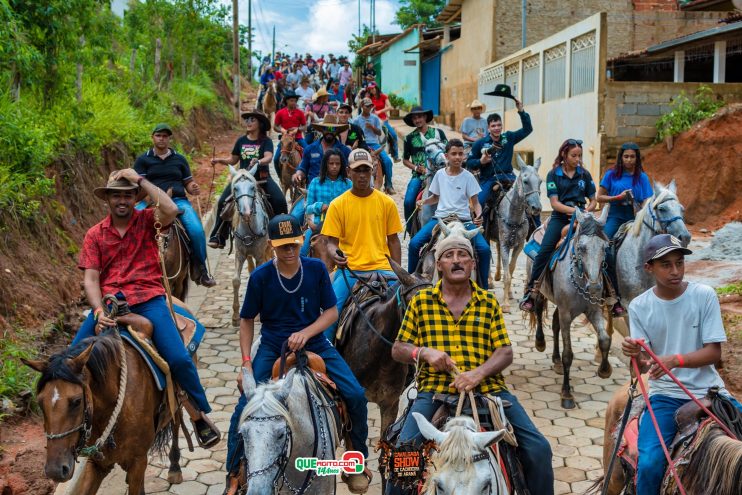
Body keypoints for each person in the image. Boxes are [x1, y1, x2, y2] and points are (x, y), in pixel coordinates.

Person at [388, 235, 554, 495]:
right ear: (439, 264)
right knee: (402, 460)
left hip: (489, 391)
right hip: (434, 392)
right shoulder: (421, 302)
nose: (456, 260)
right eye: (449, 255)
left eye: (463, 254)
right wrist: (425, 352)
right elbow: (398, 349)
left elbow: (505, 352)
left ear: (473, 263)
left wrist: (477, 374)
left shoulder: (487, 302)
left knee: (539, 449)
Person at [224, 214, 371, 495]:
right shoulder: (260, 277)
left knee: (355, 394)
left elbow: (330, 313)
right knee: (244, 407)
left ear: (301, 240)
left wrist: (307, 332)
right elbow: (246, 320)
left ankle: (356, 462)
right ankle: (234, 474)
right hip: (272, 346)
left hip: (315, 343)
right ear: (271, 246)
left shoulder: (316, 269)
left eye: (293, 244)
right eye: (283, 247)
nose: (290, 251)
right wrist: (246, 364)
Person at [75, 169, 220, 449]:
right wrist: (97, 311)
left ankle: (198, 416)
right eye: (116, 195)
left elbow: (171, 208)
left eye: (128, 195)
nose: (122, 200)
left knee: (177, 358)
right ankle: (76, 425)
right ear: (108, 200)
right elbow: (91, 279)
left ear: (135, 198)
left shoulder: (148, 220)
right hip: (109, 303)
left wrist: (140, 180)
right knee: (70, 361)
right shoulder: (95, 234)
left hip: (149, 298)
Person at [622, 233, 742, 495]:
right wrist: (634, 354)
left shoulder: (704, 296)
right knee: (651, 463)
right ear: (648, 268)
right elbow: (641, 367)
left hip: (712, 392)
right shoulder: (640, 307)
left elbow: (714, 353)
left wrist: (675, 360)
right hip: (667, 396)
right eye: (666, 265)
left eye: (679, 263)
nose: (675, 271)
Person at [321, 149, 403, 342]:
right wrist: (336, 255)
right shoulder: (338, 205)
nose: (362, 175)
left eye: (366, 170)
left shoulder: (386, 203)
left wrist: (399, 274)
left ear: (373, 170)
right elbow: (330, 243)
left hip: (384, 269)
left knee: (408, 310)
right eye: (358, 171)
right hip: (351, 270)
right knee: (331, 314)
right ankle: (324, 359)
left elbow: (393, 241)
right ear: (349, 172)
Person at [519, 139, 598, 312]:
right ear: (564, 154)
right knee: (544, 250)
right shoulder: (553, 174)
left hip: (582, 218)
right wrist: (573, 211)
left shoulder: (584, 174)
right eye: (574, 155)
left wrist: (584, 213)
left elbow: (593, 200)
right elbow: (554, 203)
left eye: (579, 156)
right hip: (560, 218)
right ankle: (531, 291)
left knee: (601, 245)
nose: (577, 159)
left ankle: (610, 292)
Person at [133, 124, 216, 287]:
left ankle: (200, 268)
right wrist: (146, 198)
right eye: (159, 135)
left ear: (169, 139)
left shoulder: (179, 159)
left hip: (178, 201)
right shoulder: (143, 160)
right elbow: (139, 187)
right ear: (153, 137)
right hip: (151, 201)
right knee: (127, 224)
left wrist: (193, 187)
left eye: (165, 136)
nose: (162, 138)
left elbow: (188, 182)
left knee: (197, 230)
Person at [407, 139, 490, 289]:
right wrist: (423, 202)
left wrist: (478, 216)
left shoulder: (468, 177)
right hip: (441, 219)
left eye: (461, 154)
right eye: (454, 154)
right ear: (447, 156)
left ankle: (483, 289)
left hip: (464, 220)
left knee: (484, 250)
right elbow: (436, 197)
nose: (458, 157)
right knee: (414, 244)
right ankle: (411, 283)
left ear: (464, 156)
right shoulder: (439, 175)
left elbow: (476, 202)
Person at [208, 110, 287, 248]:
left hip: (261, 179)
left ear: (260, 124)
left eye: (252, 120)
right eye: (247, 120)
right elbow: (233, 160)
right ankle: (218, 235)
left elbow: (268, 157)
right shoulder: (241, 141)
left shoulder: (266, 141)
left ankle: (283, 233)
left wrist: (259, 161)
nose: (248, 122)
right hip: (242, 180)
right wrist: (220, 160)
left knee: (280, 201)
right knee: (222, 202)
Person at [465, 99, 532, 208]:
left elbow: (528, 129)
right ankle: (479, 225)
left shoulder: (509, 137)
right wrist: (480, 161)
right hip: (489, 179)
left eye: (498, 125)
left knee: (530, 200)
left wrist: (521, 110)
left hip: (509, 177)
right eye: (493, 126)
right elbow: (469, 163)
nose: (496, 128)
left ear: (502, 126)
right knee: (480, 203)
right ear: (488, 128)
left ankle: (538, 225)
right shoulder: (480, 143)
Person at [291, 115, 351, 222]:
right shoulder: (310, 148)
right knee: (295, 218)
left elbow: (350, 171)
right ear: (322, 130)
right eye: (326, 128)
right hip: (312, 191)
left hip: (339, 191)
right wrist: (298, 174)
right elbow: (303, 168)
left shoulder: (345, 151)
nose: (329, 131)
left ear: (336, 131)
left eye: (332, 129)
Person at [402, 106, 447, 234]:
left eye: (420, 116)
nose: (418, 120)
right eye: (415, 118)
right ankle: (411, 232)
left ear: (425, 117)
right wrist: (416, 168)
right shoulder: (409, 138)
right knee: (409, 201)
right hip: (419, 176)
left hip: (441, 173)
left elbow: (448, 151)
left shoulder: (438, 133)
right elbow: (405, 160)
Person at [597, 142, 653, 239]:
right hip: (615, 216)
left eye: (632, 157)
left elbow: (647, 199)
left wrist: (640, 211)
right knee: (604, 240)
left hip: (636, 218)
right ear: (621, 157)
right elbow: (599, 197)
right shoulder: (611, 174)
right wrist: (617, 197)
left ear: (637, 158)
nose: (629, 160)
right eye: (626, 156)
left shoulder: (642, 177)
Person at [301, 150, 352, 256]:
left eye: (337, 164)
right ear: (326, 165)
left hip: (342, 225)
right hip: (318, 226)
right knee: (302, 251)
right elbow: (308, 207)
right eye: (331, 163)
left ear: (342, 165)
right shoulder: (315, 182)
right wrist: (320, 206)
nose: (334, 166)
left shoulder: (348, 184)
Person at [352, 97, 395, 194]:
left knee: (387, 161)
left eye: (370, 106)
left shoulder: (375, 118)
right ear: (362, 106)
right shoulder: (356, 120)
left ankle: (388, 185)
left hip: (374, 143)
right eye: (367, 106)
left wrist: (372, 127)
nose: (369, 108)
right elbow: (354, 134)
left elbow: (379, 133)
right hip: (361, 144)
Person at [273, 91, 308, 177]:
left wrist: (297, 129)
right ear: (286, 101)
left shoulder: (300, 113)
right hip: (285, 139)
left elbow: (305, 126)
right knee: (276, 159)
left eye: (295, 101)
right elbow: (275, 126)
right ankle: (280, 177)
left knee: (308, 152)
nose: (294, 102)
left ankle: (307, 177)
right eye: (292, 100)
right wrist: (282, 130)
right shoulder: (280, 113)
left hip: (298, 138)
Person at [366, 83, 400, 162]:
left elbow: (390, 107)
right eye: (370, 89)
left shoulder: (383, 96)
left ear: (376, 88)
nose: (372, 90)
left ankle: (395, 156)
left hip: (383, 120)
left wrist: (379, 111)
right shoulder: (368, 98)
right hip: (373, 121)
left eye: (373, 88)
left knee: (393, 135)